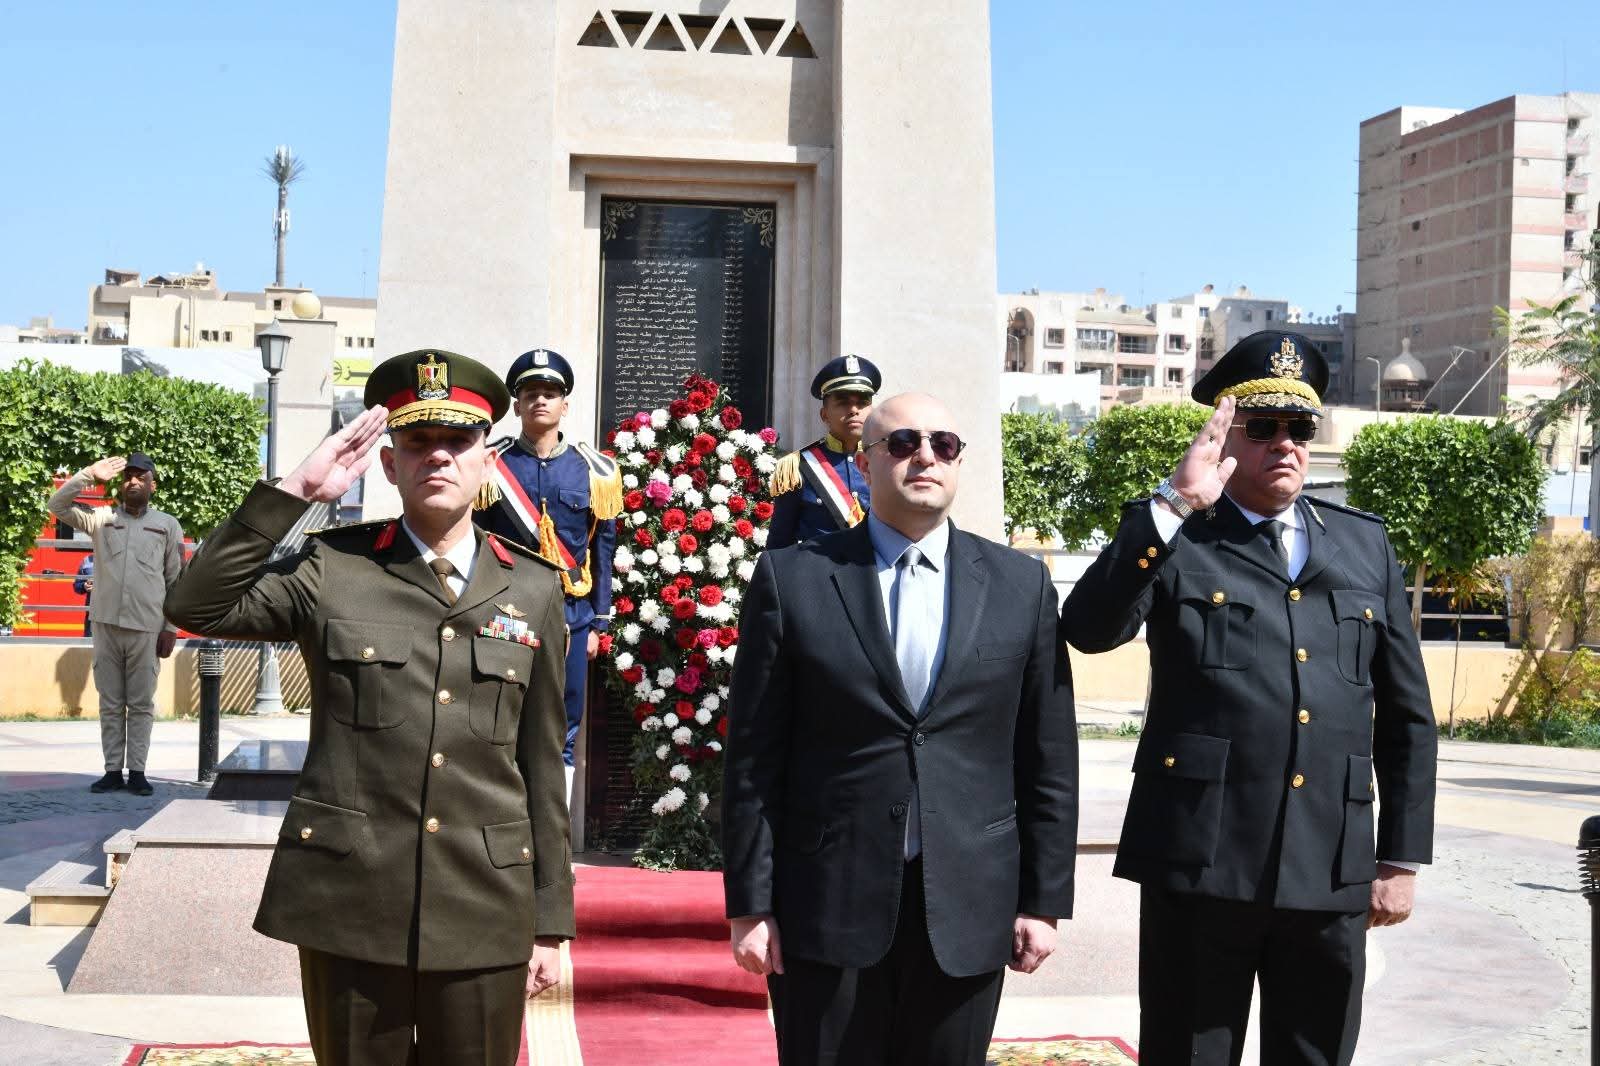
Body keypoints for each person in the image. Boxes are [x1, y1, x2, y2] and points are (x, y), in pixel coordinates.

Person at [166, 349, 575, 1066]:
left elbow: (540, 765)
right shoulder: (332, 568)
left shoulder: (533, 587)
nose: (438, 456)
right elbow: (195, 605)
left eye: (458, 441)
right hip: (350, 902)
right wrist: (297, 492)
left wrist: (550, 920)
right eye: (417, 442)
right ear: (389, 464)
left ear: (487, 461)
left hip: (484, 903)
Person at [1061, 330, 1438, 1066]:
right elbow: (1088, 629)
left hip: (1330, 860)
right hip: (1201, 859)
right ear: (1226, 436)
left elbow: (1407, 716)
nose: (1285, 444)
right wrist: (1173, 503)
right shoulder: (1179, 533)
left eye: (1300, 427)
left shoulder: (1364, 544)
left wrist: (1399, 858)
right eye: (1262, 427)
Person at [723, 392, 1078, 1066]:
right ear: (865, 463)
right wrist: (750, 904)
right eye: (903, 443)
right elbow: (753, 758)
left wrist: (1044, 901)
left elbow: (1048, 755)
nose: (925, 457)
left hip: (970, 902)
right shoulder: (793, 579)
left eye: (943, 445)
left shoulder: (1021, 585)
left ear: (959, 462)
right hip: (825, 902)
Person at [474, 347, 621, 803]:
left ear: (564, 405)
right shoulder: (490, 466)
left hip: (571, 616)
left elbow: (603, 549)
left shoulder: (594, 470)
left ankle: (553, 831)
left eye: (550, 393)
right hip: (506, 612)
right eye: (530, 393)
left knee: (564, 723)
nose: (540, 400)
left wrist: (599, 622)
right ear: (516, 405)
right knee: (501, 715)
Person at [48, 453, 184, 797]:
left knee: (141, 704)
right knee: (110, 702)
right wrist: (88, 475)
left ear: (152, 485)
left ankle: (137, 771)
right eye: (128, 477)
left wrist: (170, 628)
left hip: (146, 627)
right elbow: (57, 505)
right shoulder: (101, 518)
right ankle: (112, 771)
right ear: (121, 484)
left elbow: (175, 580)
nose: (133, 481)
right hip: (106, 624)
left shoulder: (167, 525)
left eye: (141, 477)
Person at [765, 354, 880, 548]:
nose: (854, 410)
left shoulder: (886, 459)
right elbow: (779, 543)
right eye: (843, 402)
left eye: (862, 403)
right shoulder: (797, 467)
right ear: (824, 414)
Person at [73, 554, 95, 637]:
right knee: (89, 642)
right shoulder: (87, 560)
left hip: (112, 615)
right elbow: (77, 586)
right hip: (92, 615)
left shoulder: (118, 559)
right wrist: (84, 585)